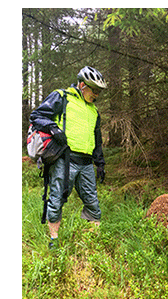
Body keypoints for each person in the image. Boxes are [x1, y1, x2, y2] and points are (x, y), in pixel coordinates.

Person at [29, 66, 107, 248]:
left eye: (99, 91)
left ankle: (93, 242)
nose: (96, 94)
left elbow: (97, 139)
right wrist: (53, 128)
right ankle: (54, 241)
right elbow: (37, 116)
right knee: (56, 199)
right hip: (65, 159)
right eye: (94, 90)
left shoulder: (94, 111)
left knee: (92, 201)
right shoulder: (62, 97)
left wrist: (100, 163)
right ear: (82, 85)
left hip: (86, 163)